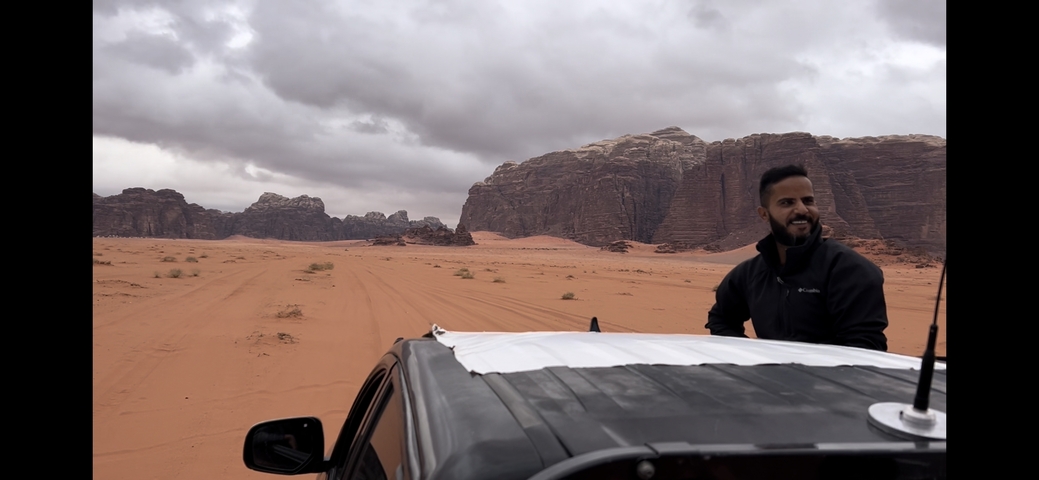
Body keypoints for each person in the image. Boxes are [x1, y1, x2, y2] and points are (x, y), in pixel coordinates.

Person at [705, 164, 888, 351]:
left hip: (831, 379)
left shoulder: (849, 270)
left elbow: (866, 347)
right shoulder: (749, 274)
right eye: (787, 202)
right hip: (772, 378)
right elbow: (721, 319)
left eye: (808, 201)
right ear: (764, 214)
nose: (802, 210)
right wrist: (752, 358)